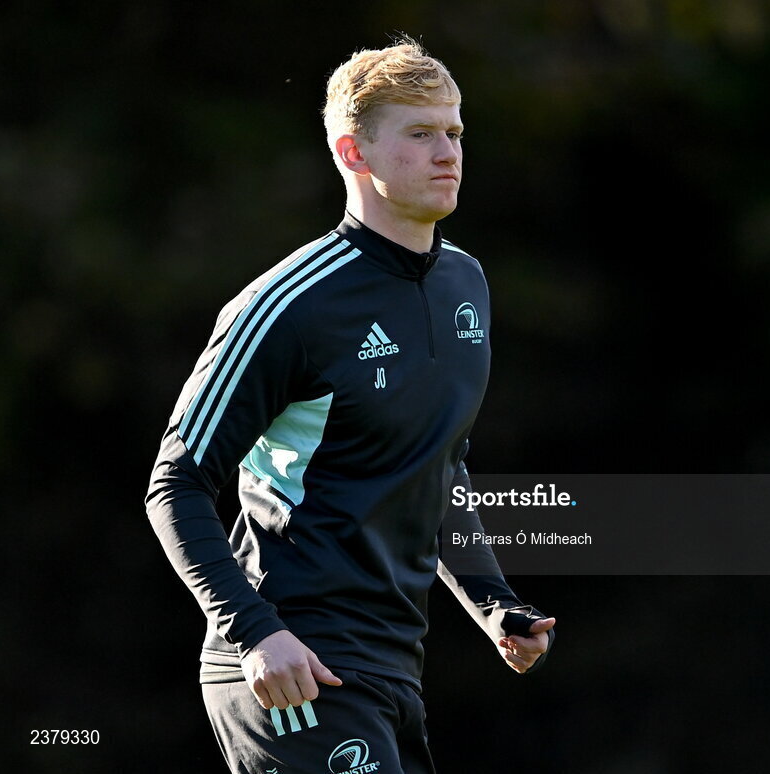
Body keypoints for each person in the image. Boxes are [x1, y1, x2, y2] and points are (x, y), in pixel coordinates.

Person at [145, 37, 556, 774]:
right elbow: (174, 483)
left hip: (392, 665)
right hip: (293, 664)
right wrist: (254, 632)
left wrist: (494, 601)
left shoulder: (466, 283)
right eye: (421, 133)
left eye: (456, 132)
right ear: (353, 152)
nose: (448, 152)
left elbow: (440, 466)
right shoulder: (288, 305)